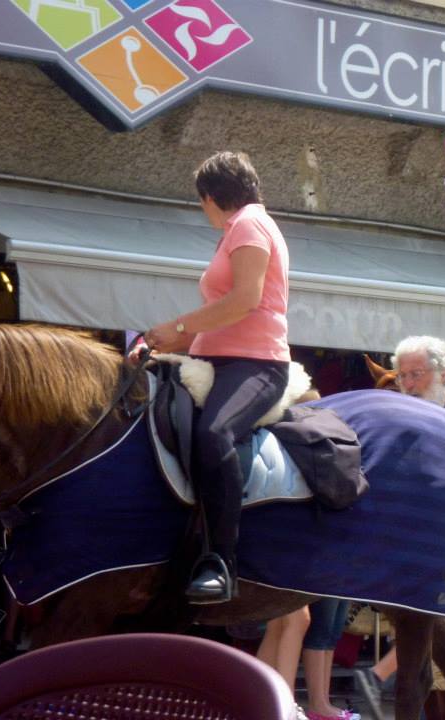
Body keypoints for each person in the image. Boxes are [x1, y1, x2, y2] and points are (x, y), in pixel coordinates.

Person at [137, 151, 291, 603]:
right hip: (215, 361)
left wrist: (178, 328)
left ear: (209, 197)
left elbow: (245, 300)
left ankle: (222, 561)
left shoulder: (248, 224)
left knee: (214, 433)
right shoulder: (237, 230)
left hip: (256, 364)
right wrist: (166, 344)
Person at [353, 335, 445, 720]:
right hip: (414, 543)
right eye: (402, 376)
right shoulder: (398, 421)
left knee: (444, 642)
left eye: (417, 374)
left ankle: (380, 675)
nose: (408, 385)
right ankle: (388, 681)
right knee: (427, 644)